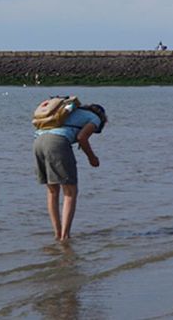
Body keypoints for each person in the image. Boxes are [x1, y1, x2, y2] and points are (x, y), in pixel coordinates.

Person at [33, 103, 107, 241]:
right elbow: (82, 137)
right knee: (70, 192)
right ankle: (65, 237)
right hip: (57, 143)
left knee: (52, 191)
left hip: (38, 142)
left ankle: (57, 234)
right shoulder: (95, 118)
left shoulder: (70, 113)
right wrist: (92, 158)